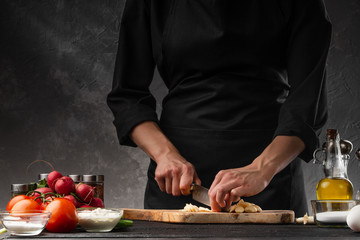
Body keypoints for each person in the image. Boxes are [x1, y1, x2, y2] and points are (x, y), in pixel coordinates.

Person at [107, 0, 332, 217]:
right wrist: (165, 155)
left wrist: (262, 168)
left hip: (271, 176)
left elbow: (308, 101)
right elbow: (127, 96)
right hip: (177, 181)